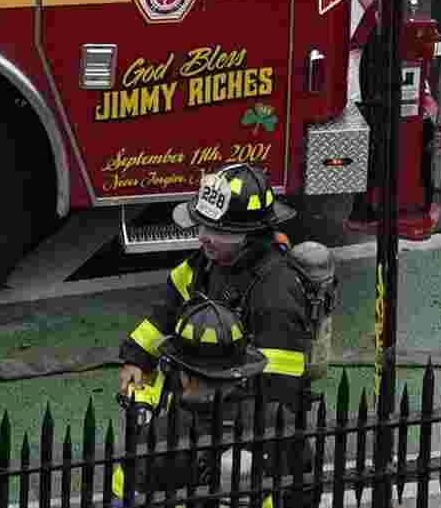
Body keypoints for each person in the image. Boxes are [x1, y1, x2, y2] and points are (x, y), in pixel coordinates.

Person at [111, 166, 321, 507]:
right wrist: (136, 355)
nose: (203, 236)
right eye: (203, 224)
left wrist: (228, 439)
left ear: (250, 233)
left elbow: (278, 386)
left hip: (240, 424)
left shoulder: (275, 292)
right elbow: (166, 310)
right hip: (201, 406)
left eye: (216, 230)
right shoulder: (206, 264)